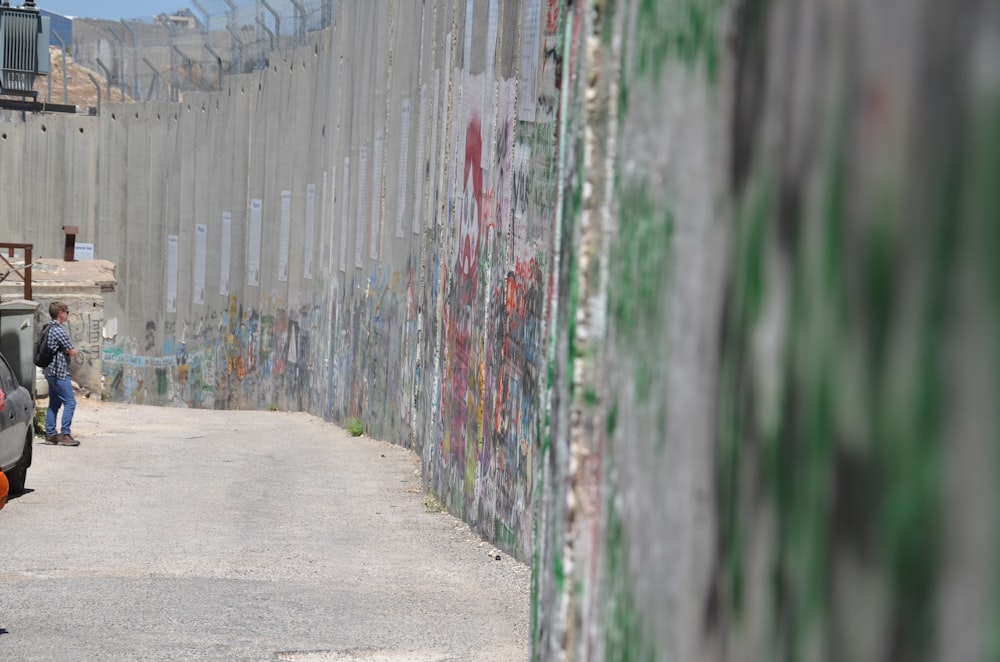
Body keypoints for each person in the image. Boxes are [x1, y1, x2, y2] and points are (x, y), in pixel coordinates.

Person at [43, 302, 80, 447]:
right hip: (59, 372)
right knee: (70, 402)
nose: (67, 314)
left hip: (50, 371)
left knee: (54, 403)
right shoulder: (58, 330)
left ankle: (50, 434)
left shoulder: (48, 328)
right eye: (67, 311)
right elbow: (72, 351)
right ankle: (65, 434)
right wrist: (70, 351)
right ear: (60, 313)